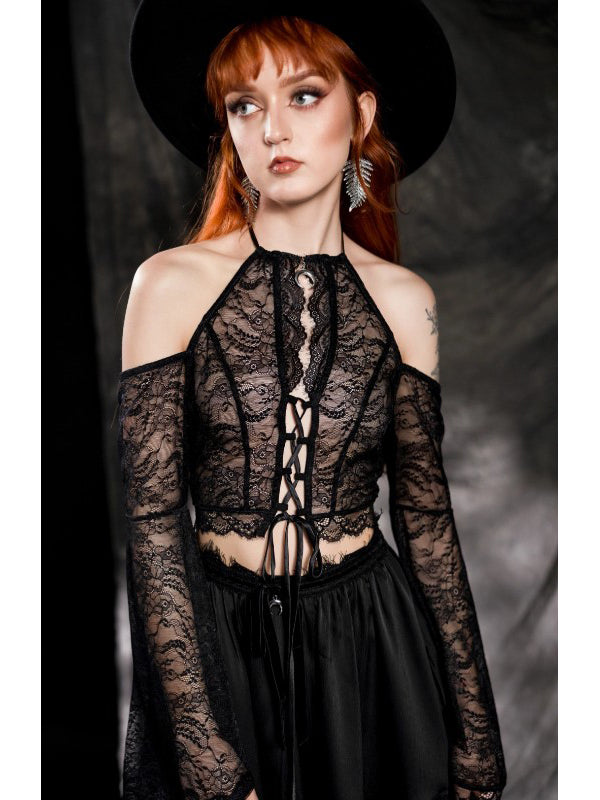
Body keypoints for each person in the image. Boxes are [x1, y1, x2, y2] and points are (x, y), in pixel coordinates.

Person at [117, 3, 507, 800]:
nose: (272, 131)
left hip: (371, 647)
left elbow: (427, 520)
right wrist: (201, 746)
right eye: (245, 105)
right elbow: (153, 526)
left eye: (303, 95)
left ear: (359, 114)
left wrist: (476, 734)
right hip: (219, 646)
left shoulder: (405, 301)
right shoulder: (169, 284)